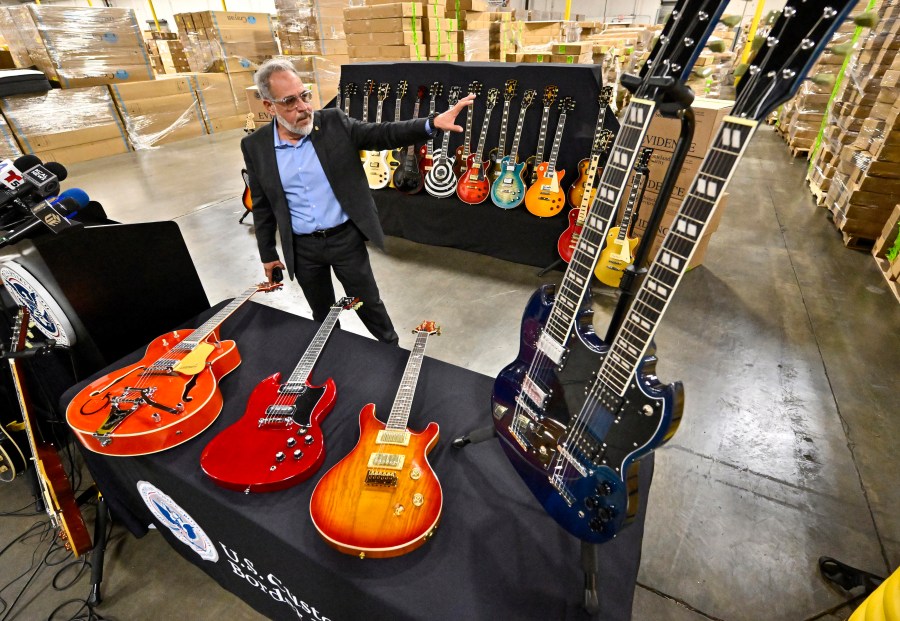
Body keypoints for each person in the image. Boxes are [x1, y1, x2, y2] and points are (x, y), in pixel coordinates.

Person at [242, 59, 474, 345]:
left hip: (344, 240)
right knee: (322, 314)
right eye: (290, 101)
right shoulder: (255, 146)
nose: (303, 107)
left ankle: (392, 352)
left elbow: (382, 133)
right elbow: (262, 203)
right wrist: (267, 252)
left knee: (369, 304)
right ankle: (332, 356)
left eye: (305, 95)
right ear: (269, 106)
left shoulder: (333, 123)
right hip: (303, 249)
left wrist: (430, 124)